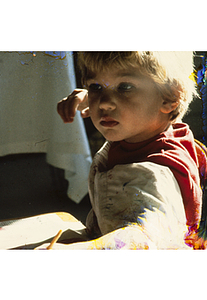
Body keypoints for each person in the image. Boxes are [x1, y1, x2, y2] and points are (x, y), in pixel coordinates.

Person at [38, 51, 207, 250]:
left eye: (125, 87)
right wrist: (91, 97)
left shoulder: (152, 177)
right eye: (96, 86)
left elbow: (141, 239)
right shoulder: (149, 132)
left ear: (170, 98)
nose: (104, 102)